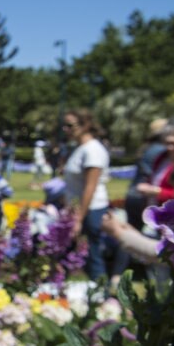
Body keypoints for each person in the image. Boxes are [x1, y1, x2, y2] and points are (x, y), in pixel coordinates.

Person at [62, 109, 111, 282]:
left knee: (92, 255)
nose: (65, 129)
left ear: (86, 125)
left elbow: (90, 187)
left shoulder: (92, 150)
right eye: (64, 125)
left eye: (70, 125)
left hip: (91, 210)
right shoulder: (81, 148)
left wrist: (79, 219)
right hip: (78, 210)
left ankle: (103, 298)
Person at [135, 118, 174, 206]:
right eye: (167, 143)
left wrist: (158, 192)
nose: (169, 148)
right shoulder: (162, 157)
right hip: (157, 208)